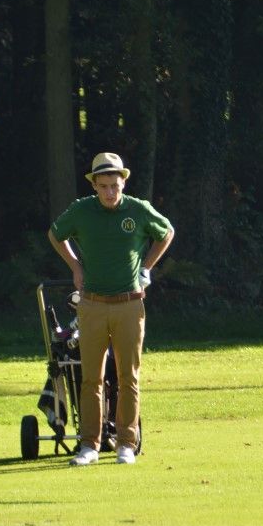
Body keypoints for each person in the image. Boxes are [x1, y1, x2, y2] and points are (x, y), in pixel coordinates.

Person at [48, 152, 174, 467]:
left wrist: (147, 268)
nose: (109, 192)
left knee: (128, 376)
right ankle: (89, 445)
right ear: (94, 185)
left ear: (123, 182)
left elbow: (166, 232)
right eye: (103, 186)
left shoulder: (138, 210)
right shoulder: (82, 210)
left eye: (114, 185)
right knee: (92, 377)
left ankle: (126, 444)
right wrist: (75, 265)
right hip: (91, 304)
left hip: (130, 304)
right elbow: (55, 234)